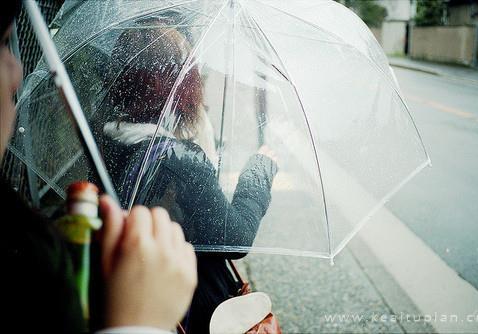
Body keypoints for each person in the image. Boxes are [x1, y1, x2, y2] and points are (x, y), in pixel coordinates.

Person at [0, 2, 197, 333]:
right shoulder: (184, 158)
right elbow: (235, 235)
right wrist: (137, 325)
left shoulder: (105, 132)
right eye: (3, 44)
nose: (16, 69)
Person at [100, 22, 278, 334]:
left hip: (134, 290)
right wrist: (258, 174)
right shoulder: (179, 161)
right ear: (176, 86)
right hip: (186, 305)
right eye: (192, 74)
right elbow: (233, 239)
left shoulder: (110, 136)